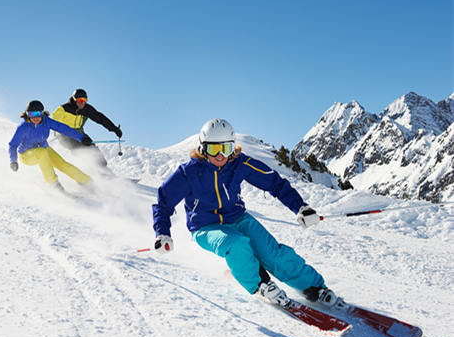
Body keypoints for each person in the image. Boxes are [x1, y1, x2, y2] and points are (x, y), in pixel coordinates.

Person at [151, 118, 342, 309]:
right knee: (235, 244)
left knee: (273, 254)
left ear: (232, 148)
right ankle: (260, 285)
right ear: (202, 149)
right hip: (205, 227)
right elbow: (163, 203)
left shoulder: (239, 164)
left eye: (225, 149)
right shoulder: (188, 173)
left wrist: (301, 207)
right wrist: (162, 233)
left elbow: (274, 183)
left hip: (239, 218)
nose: (220, 156)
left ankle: (315, 288)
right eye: (213, 149)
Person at [8, 100, 94, 191]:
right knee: (42, 152)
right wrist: (13, 160)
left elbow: (63, 128)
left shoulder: (46, 121)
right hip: (26, 155)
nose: (35, 118)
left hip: (44, 149)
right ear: (27, 115)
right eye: (32, 114)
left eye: (38, 114)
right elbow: (13, 144)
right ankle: (53, 184)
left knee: (63, 164)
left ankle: (86, 181)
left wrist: (81, 138)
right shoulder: (23, 127)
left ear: (42, 113)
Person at [51, 88, 123, 172]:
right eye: (80, 100)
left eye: (84, 100)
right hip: (64, 135)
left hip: (79, 134)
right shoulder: (63, 109)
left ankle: (105, 172)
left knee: (93, 150)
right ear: (74, 99)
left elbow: (100, 118)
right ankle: (86, 174)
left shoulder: (86, 109)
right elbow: (54, 123)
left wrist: (114, 128)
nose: (82, 102)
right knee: (81, 150)